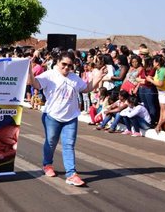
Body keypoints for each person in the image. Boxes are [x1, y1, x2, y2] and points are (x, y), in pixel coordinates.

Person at [28, 50, 106, 186]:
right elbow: (34, 84)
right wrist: (29, 69)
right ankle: (47, 165)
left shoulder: (74, 78)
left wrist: (99, 77)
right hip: (52, 116)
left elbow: (87, 88)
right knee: (51, 142)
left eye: (70, 66)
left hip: (71, 118)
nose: (66, 68)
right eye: (64, 64)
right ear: (57, 62)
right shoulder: (49, 75)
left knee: (69, 145)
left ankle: (71, 174)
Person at [146, 55, 165, 132]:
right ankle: (159, 125)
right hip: (161, 92)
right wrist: (152, 78)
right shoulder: (158, 70)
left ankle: (161, 125)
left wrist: (150, 80)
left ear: (157, 63)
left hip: (164, 92)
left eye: (154, 62)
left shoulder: (162, 70)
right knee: (161, 110)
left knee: (164, 110)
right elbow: (158, 80)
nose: (153, 63)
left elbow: (160, 84)